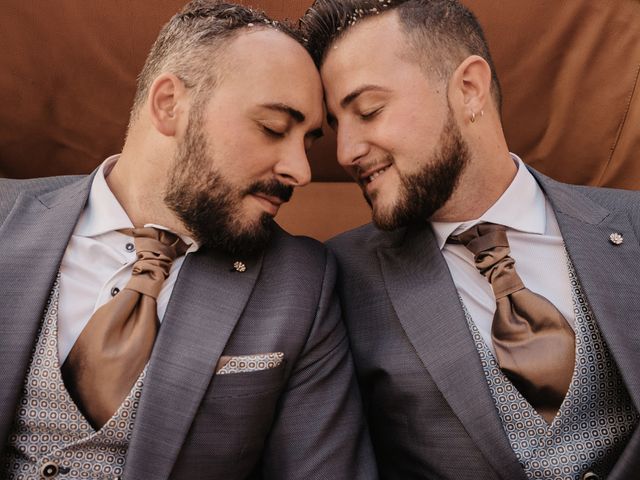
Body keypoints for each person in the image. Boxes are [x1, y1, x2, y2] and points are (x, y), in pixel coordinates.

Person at [0, 2, 377, 479]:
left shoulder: (301, 283)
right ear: (169, 105)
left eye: (308, 142)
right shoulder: (5, 218)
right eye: (273, 128)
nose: (299, 171)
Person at [301, 1, 640, 478]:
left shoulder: (634, 224)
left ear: (468, 89)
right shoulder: (331, 277)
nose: (346, 151)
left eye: (369, 110)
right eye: (337, 125)